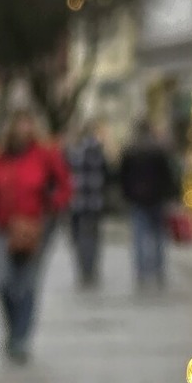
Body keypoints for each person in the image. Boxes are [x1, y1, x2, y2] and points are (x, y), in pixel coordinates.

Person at [0, 110, 72, 364]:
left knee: (27, 284)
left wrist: (52, 205)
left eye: (28, 123)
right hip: (1, 227)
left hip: (34, 227)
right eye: (19, 123)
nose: (24, 129)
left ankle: (21, 338)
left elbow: (65, 186)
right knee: (4, 282)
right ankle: (11, 328)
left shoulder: (45, 155)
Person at [119, 120, 178, 290]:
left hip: (137, 199)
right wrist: (170, 195)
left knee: (139, 237)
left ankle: (141, 271)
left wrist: (127, 195)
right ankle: (158, 270)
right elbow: (167, 175)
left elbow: (123, 176)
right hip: (157, 198)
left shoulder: (130, 150)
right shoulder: (158, 150)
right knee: (158, 237)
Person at [65, 121, 108, 288]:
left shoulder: (75, 152)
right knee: (94, 238)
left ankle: (84, 269)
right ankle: (92, 269)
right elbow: (107, 174)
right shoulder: (98, 151)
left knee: (80, 238)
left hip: (78, 202)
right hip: (95, 201)